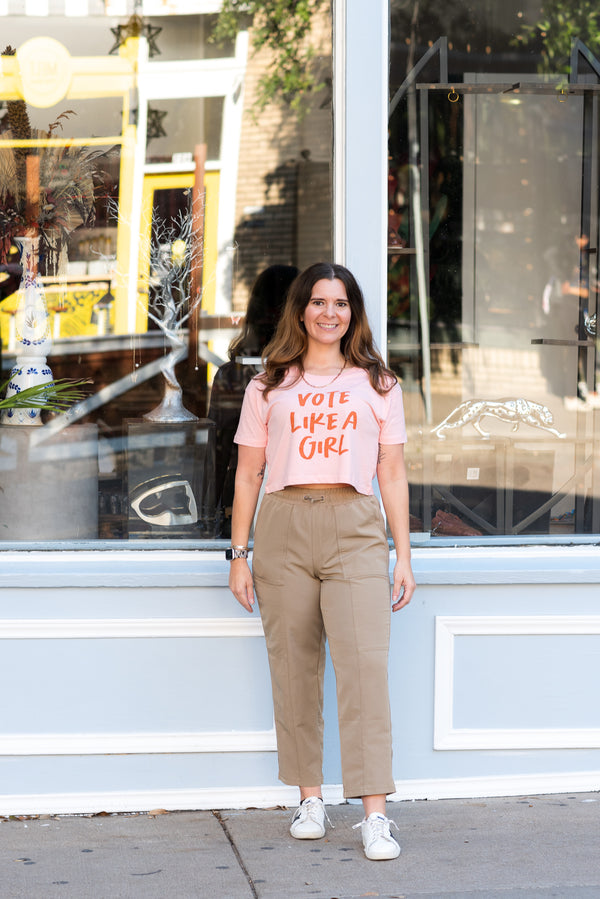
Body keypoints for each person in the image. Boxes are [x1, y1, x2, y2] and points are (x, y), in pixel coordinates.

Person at [227, 261, 415, 861]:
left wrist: (402, 555)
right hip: (282, 526)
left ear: (352, 313)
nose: (328, 313)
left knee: (364, 670)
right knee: (294, 667)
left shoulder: (380, 385)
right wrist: (238, 554)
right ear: (300, 311)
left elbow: (391, 470)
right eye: (317, 302)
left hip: (355, 527)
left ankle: (375, 814)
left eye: (340, 303)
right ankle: (310, 798)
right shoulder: (267, 387)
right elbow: (248, 474)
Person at [208, 265, 299, 536]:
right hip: (276, 495)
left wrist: (209, 507)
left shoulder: (232, 374)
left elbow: (219, 449)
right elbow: (218, 449)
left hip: (246, 494)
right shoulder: (235, 374)